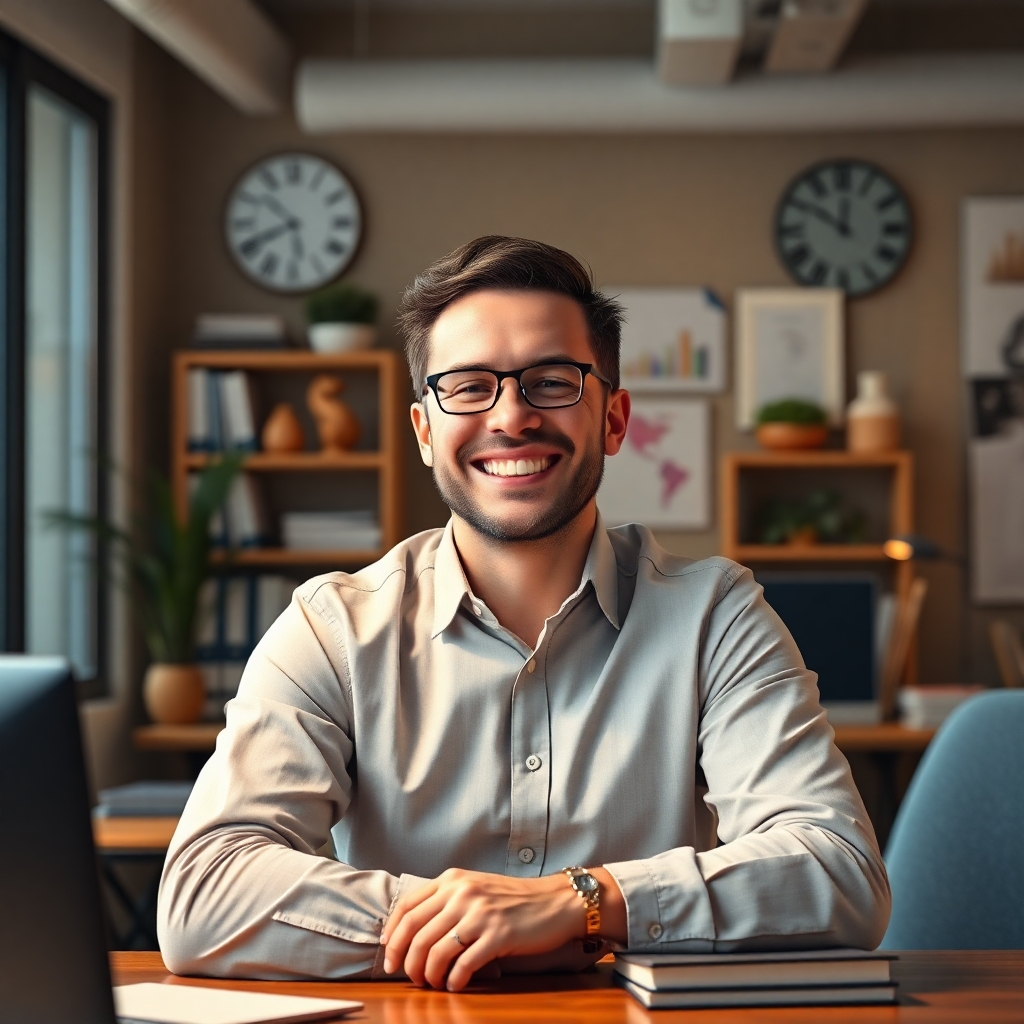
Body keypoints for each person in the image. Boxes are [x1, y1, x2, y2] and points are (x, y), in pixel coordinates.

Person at [158, 236, 890, 991]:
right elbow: (204, 892)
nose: (511, 416)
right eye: (468, 387)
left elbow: (839, 872)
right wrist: (470, 925)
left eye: (551, 382)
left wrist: (582, 905)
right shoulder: (331, 628)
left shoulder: (716, 615)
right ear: (424, 432)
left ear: (613, 419)